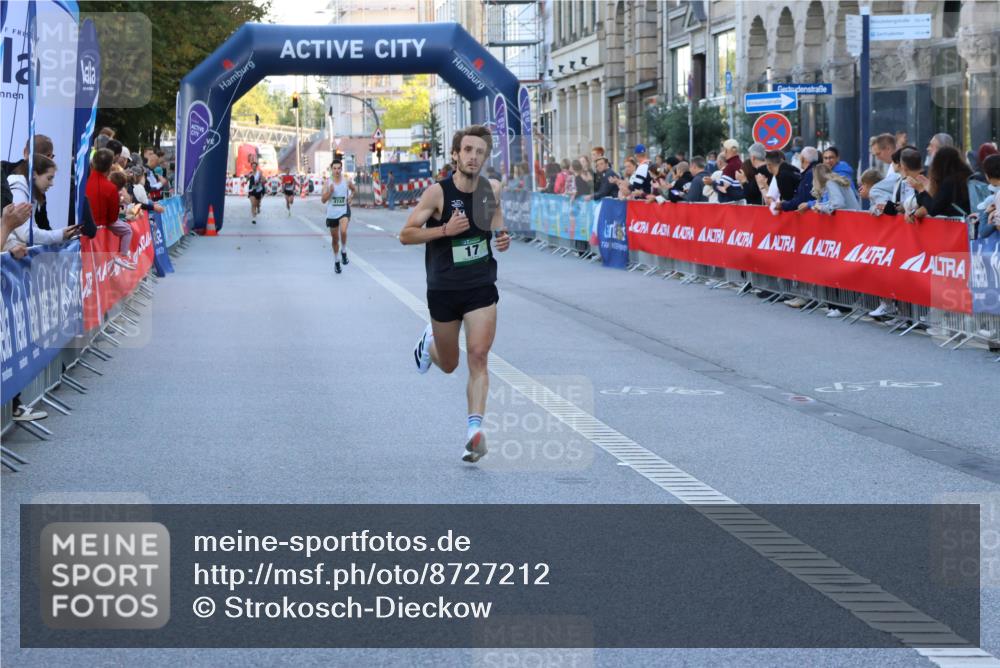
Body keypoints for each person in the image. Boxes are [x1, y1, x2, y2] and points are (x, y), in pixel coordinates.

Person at [399, 125, 511, 464]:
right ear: (455, 155)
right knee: (449, 364)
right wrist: (444, 230)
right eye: (468, 151)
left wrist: (502, 237)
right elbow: (406, 234)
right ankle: (428, 345)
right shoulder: (438, 194)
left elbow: (495, 220)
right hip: (444, 288)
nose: (474, 156)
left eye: (480, 152)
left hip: (480, 287)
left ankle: (474, 432)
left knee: (478, 355)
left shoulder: (492, 188)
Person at [6, 155, 81, 249]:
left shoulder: (26, 191)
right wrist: (60, 235)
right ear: (34, 174)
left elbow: (30, 230)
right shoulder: (18, 190)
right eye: (49, 178)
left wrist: (60, 234)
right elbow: (26, 233)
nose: (52, 183)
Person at [86, 148, 135, 269]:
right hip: (102, 223)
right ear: (109, 166)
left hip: (88, 224)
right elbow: (112, 217)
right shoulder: (110, 188)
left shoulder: (84, 182)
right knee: (128, 230)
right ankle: (122, 256)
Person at [911, 146, 971, 220]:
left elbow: (933, 209)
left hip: (958, 226)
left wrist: (921, 190)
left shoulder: (950, 182)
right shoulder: (966, 176)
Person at [320, 159, 356, 274]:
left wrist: (351, 197)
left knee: (344, 231)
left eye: (338, 168)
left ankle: (344, 251)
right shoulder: (328, 182)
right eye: (334, 168)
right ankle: (336, 261)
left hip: (344, 210)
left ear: (341, 169)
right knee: (335, 239)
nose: (336, 170)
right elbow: (323, 200)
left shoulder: (346, 181)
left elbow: (354, 190)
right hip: (332, 214)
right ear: (331, 169)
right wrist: (330, 192)